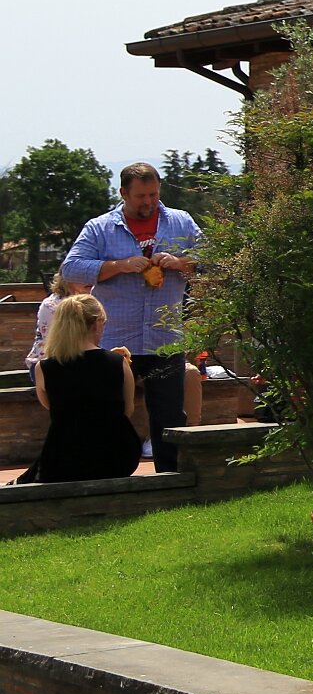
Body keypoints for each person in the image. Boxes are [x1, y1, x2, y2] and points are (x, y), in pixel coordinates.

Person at [59, 162, 200, 471]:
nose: (148, 202)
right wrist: (119, 265)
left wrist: (180, 262)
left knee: (169, 417)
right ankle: (104, 477)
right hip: (116, 341)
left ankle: (171, 479)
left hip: (165, 340)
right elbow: (71, 268)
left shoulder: (182, 222)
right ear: (123, 193)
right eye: (140, 196)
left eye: (153, 194)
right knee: (106, 412)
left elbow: (212, 260)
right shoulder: (100, 227)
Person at [18, 294, 140, 484]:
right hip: (118, 455)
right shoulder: (118, 363)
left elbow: (55, 407)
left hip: (65, 459)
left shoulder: (44, 368)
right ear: (97, 324)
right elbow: (127, 410)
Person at [25, 273, 85, 375]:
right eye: (83, 275)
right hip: (49, 363)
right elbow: (59, 342)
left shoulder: (93, 301)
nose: (89, 278)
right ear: (66, 279)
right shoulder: (51, 306)